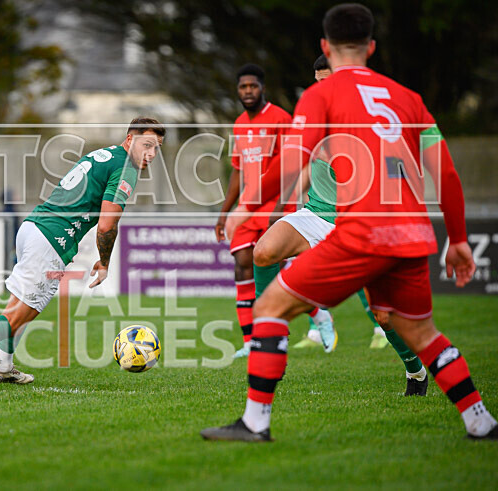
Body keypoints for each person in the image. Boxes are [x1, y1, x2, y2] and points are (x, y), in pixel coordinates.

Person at [202, 3, 497, 441]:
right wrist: (457, 240)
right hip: (411, 232)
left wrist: (247, 206)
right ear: (371, 47)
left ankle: (255, 423)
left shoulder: (321, 95)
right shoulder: (407, 98)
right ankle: (480, 421)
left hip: (360, 229)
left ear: (325, 45)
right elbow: (447, 173)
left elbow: (288, 165)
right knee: (420, 330)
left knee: (269, 308)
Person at [0, 117, 165, 383]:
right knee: (18, 316)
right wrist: (104, 261)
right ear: (129, 140)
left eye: (157, 147)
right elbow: (107, 224)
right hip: (50, 240)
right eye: (147, 145)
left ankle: (3, 366)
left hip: (33, 227)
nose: (152, 153)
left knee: (17, 307)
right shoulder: (126, 169)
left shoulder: (107, 155)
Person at [252, 55, 428, 396]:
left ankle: (416, 372)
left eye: (328, 80)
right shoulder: (314, 117)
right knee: (263, 251)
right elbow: (305, 167)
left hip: (356, 224)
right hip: (314, 215)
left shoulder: (366, 123)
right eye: (318, 81)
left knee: (385, 318)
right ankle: (276, 332)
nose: (323, 88)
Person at [216, 64, 334, 359]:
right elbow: (237, 170)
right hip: (250, 204)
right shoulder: (240, 124)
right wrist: (224, 212)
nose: (247, 92)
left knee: (291, 269)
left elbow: (294, 162)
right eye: (242, 87)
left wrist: (281, 205)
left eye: (252, 86)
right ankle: (252, 338)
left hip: (276, 203)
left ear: (262, 88)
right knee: (244, 263)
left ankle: (317, 317)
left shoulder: (282, 118)